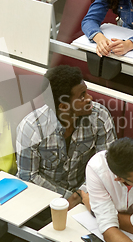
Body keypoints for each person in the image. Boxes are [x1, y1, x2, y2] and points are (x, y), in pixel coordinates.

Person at [16, 65, 117, 209]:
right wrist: (65, 199)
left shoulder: (100, 116)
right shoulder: (31, 128)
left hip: (87, 196)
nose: (89, 98)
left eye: (86, 92)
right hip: (43, 198)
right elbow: (28, 177)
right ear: (63, 107)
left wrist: (79, 195)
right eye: (82, 96)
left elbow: (107, 166)